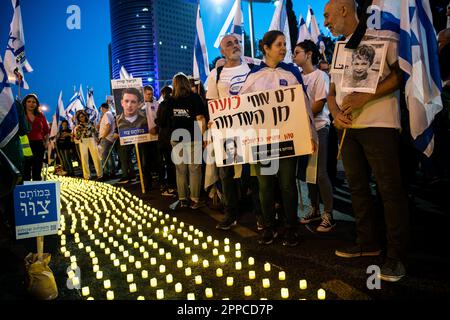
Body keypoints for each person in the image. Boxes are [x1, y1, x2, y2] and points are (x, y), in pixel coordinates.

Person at [324, 0, 409, 282]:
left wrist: (367, 96)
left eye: (328, 15)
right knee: (357, 187)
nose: (326, 22)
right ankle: (368, 242)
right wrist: (335, 113)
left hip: (380, 125)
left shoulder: (385, 37)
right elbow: (332, 91)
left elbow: (400, 74)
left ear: (344, 10)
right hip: (348, 129)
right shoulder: (337, 47)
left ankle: (396, 255)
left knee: (389, 189)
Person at [240, 30, 317, 246]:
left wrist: (310, 135)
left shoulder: (292, 72)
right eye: (279, 44)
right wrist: (220, 125)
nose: (284, 48)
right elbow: (239, 109)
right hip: (262, 141)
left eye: (285, 44)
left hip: (288, 140)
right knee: (264, 186)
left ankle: (291, 227)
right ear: (266, 48)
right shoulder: (253, 75)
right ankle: (268, 227)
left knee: (287, 184)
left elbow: (304, 106)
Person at [206, 33, 263, 231]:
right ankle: (231, 213)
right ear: (222, 51)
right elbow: (212, 102)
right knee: (226, 175)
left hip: (251, 130)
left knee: (254, 174)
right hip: (226, 132)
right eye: (229, 44)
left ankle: (260, 213)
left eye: (237, 42)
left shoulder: (254, 69)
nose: (235, 45)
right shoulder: (216, 74)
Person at [293, 40, 335, 232]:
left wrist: (297, 116)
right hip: (302, 130)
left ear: (309, 54)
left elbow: (318, 106)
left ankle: (329, 213)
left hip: (319, 129)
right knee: (308, 173)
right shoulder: (297, 78)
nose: (293, 56)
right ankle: (314, 209)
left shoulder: (320, 76)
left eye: (297, 52)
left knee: (320, 173)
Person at [166, 73, 206, 210]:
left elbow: (165, 120)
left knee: (180, 170)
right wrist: (204, 136)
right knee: (194, 169)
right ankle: (195, 199)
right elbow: (200, 118)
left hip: (176, 137)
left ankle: (183, 199)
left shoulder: (170, 101)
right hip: (193, 136)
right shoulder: (195, 98)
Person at [154, 86, 177, 196]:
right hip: (177, 135)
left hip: (165, 137)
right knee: (175, 162)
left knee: (167, 162)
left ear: (163, 94)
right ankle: (176, 186)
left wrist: (156, 121)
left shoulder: (163, 105)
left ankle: (170, 186)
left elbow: (161, 121)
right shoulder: (176, 103)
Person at [140, 85, 162, 191]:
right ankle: (147, 183)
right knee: (145, 162)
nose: (150, 95)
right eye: (148, 94)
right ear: (143, 94)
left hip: (155, 137)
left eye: (152, 93)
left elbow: (159, 119)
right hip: (143, 138)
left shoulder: (156, 104)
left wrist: (157, 128)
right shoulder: (139, 105)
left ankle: (160, 181)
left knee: (158, 161)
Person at [23, 94, 49, 181]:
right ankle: (26, 191)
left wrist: (46, 142)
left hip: (38, 145)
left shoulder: (41, 115)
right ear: (25, 103)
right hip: (24, 145)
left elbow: (46, 130)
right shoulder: (21, 115)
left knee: (37, 170)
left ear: (37, 104)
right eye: (29, 101)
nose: (31, 104)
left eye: (34, 102)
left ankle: (36, 191)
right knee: (25, 170)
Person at [74, 110, 103, 180]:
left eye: (82, 116)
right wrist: (78, 132)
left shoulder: (91, 123)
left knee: (96, 156)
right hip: (83, 141)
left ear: (85, 116)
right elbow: (77, 137)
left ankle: (100, 174)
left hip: (91, 139)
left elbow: (95, 132)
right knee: (84, 158)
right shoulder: (78, 126)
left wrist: (98, 139)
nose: (81, 118)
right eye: (80, 117)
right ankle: (86, 176)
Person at [98, 103, 117, 178]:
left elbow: (108, 126)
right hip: (109, 137)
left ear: (102, 108)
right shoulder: (110, 114)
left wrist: (103, 136)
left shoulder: (106, 114)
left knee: (104, 156)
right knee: (110, 156)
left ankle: (106, 172)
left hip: (106, 138)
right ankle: (112, 171)